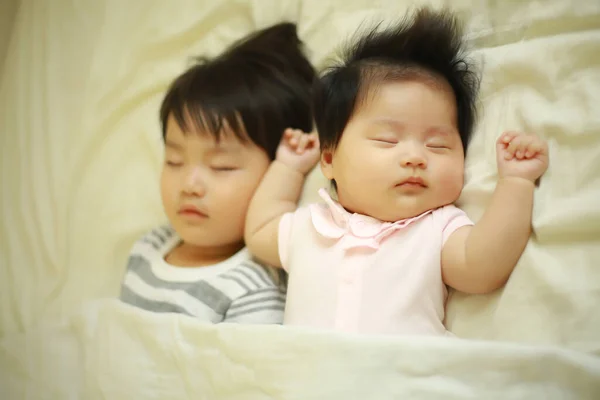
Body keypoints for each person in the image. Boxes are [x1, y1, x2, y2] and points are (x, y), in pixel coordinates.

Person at [244, 8, 549, 335]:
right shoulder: (311, 226)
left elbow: (483, 267)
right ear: (329, 160)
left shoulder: (436, 229)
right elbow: (260, 229)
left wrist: (516, 182)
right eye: (387, 140)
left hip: (401, 378)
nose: (416, 157)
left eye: (437, 145)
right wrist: (288, 167)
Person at [119, 22, 316, 324]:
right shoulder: (149, 247)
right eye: (174, 160)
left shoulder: (251, 288)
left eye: (221, 167)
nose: (189, 185)